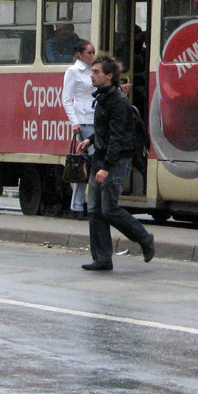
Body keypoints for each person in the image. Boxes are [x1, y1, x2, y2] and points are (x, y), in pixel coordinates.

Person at [77, 55, 156, 271]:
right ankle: (102, 258)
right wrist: (90, 140)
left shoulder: (118, 102)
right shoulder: (103, 97)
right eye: (92, 71)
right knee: (94, 210)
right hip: (100, 157)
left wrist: (106, 167)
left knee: (108, 209)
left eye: (96, 72)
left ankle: (144, 238)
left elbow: (118, 137)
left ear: (109, 76)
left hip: (115, 160)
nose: (92, 75)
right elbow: (105, 130)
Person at [61, 39, 96, 220]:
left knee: (89, 164)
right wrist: (74, 122)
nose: (92, 55)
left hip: (95, 118)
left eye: (93, 52)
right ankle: (79, 205)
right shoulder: (73, 72)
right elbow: (66, 99)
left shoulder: (94, 70)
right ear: (80, 54)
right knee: (88, 162)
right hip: (83, 121)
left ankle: (80, 206)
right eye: (89, 53)